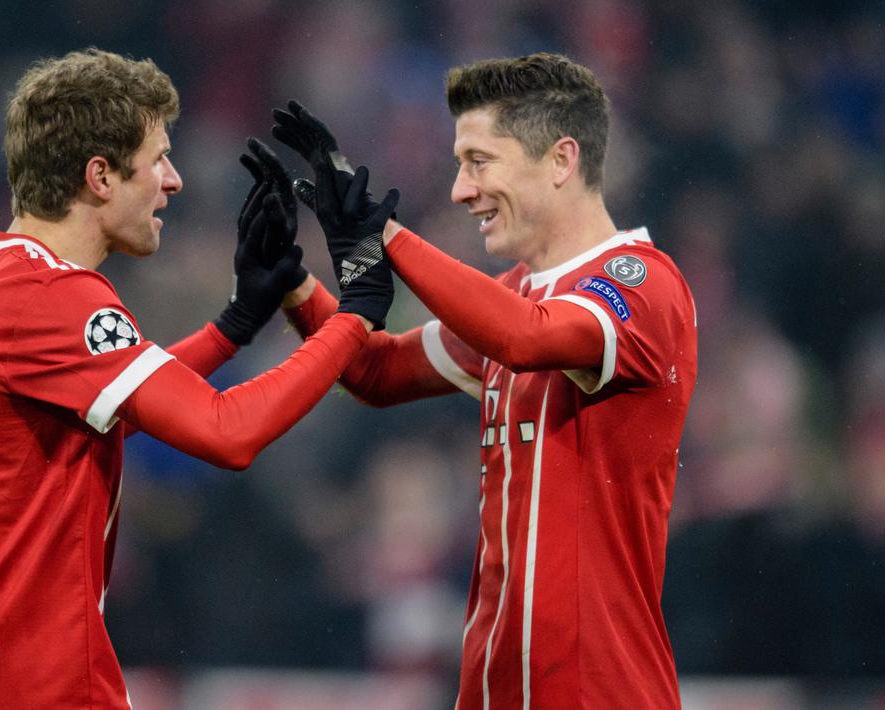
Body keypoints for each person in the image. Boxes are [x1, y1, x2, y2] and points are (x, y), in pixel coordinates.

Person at [0, 48, 398, 709]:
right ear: (99, 176)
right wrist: (353, 318)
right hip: (26, 682)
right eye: (157, 160)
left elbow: (91, 408)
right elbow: (226, 433)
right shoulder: (55, 297)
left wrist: (233, 325)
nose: (173, 182)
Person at [270, 53, 697, 708]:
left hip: (596, 688)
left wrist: (385, 232)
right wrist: (293, 279)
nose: (459, 190)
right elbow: (372, 371)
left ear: (560, 160)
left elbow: (526, 338)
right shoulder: (516, 297)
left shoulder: (640, 286)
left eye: (479, 161)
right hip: (495, 682)